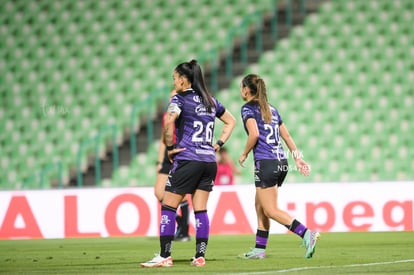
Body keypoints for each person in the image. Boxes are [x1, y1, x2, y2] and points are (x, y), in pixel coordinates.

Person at [141, 59, 236, 268]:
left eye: (174, 78)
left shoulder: (180, 99)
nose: (174, 82)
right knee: (200, 209)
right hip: (209, 161)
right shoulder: (211, 100)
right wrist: (218, 144)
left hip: (188, 158)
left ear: (184, 80)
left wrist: (170, 146)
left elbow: (169, 121)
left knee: (168, 206)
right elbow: (231, 121)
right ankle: (200, 256)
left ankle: (165, 255)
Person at [237, 74, 319, 259]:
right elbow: (287, 137)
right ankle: (259, 249)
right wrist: (297, 158)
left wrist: (244, 153)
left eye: (241, 87)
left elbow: (254, 134)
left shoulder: (247, 109)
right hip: (281, 161)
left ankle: (307, 233)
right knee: (259, 205)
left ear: (246, 89)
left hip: (266, 162)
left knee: (270, 209)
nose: (240, 91)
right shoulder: (272, 109)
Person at [154, 89, 190, 242]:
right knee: (158, 192)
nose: (171, 100)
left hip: (179, 152)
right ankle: (182, 224)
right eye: (170, 97)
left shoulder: (185, 115)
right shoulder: (166, 116)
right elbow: (163, 138)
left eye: (174, 97)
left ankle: (184, 231)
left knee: (177, 194)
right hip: (167, 154)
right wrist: (159, 160)